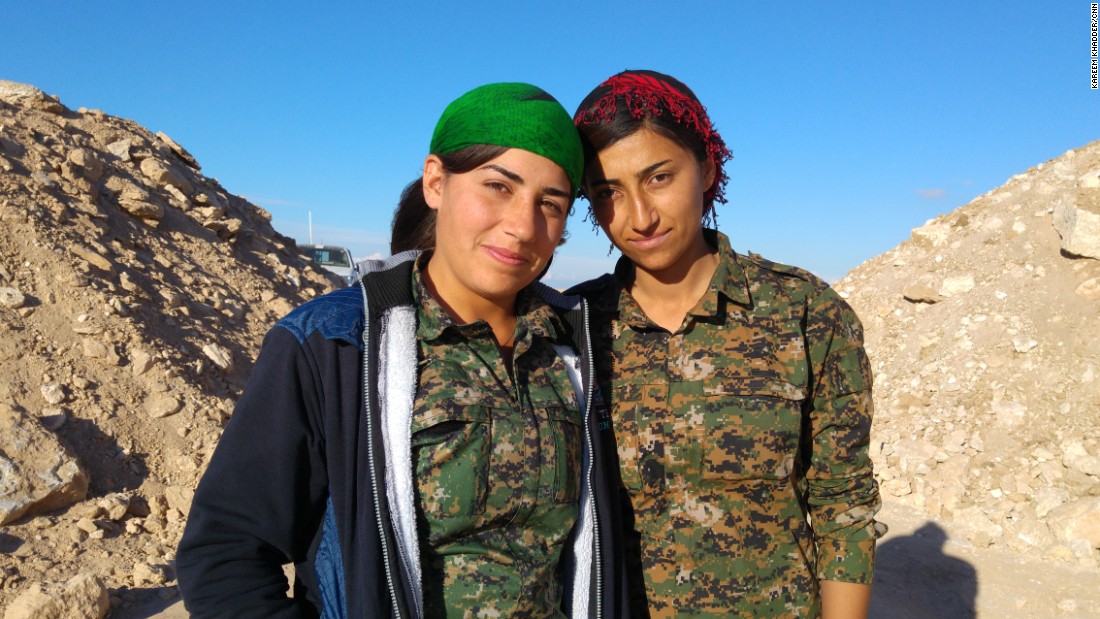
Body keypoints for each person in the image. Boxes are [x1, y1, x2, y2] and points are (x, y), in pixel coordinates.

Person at [177, 82, 626, 618]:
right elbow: (227, 553)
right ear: (436, 181)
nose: (522, 227)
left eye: (550, 204)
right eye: (497, 187)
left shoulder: (576, 349)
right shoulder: (334, 345)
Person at [567, 70, 886, 619]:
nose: (640, 217)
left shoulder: (806, 313)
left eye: (659, 177)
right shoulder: (571, 327)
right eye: (608, 193)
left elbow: (844, 505)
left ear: (707, 168)